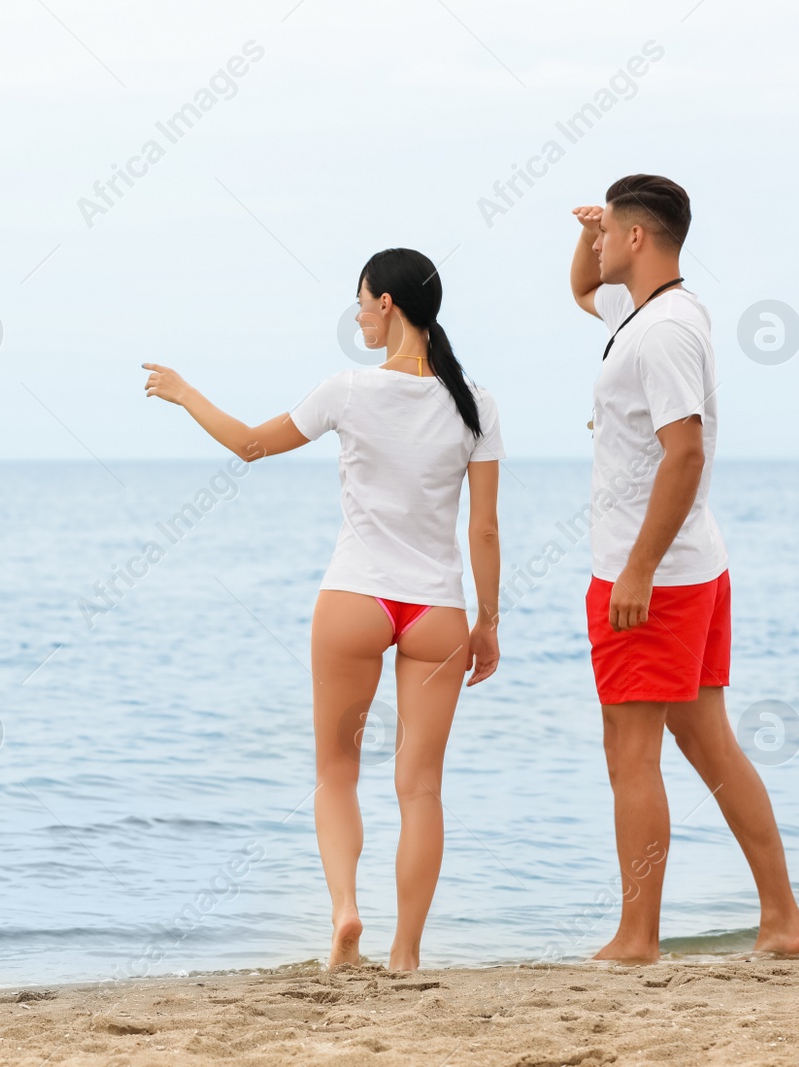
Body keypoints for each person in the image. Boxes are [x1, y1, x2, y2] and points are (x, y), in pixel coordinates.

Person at [143, 248, 503, 971]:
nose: (360, 316)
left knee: (337, 773)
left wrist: (184, 392)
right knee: (421, 786)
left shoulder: (349, 389)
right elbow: (484, 529)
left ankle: (344, 912)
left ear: (388, 305)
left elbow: (249, 445)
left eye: (362, 302)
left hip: (355, 599)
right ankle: (406, 953)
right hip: (437, 612)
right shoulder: (476, 403)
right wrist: (486, 622)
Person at [569, 175, 799, 962]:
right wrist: (584, 234)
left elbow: (686, 450)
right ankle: (783, 919)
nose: (600, 243)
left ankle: (637, 936)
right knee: (710, 745)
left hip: (655, 575)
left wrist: (637, 569)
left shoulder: (665, 331)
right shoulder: (649, 312)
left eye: (609, 231)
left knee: (629, 755)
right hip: (690, 567)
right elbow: (583, 287)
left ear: (638, 238)